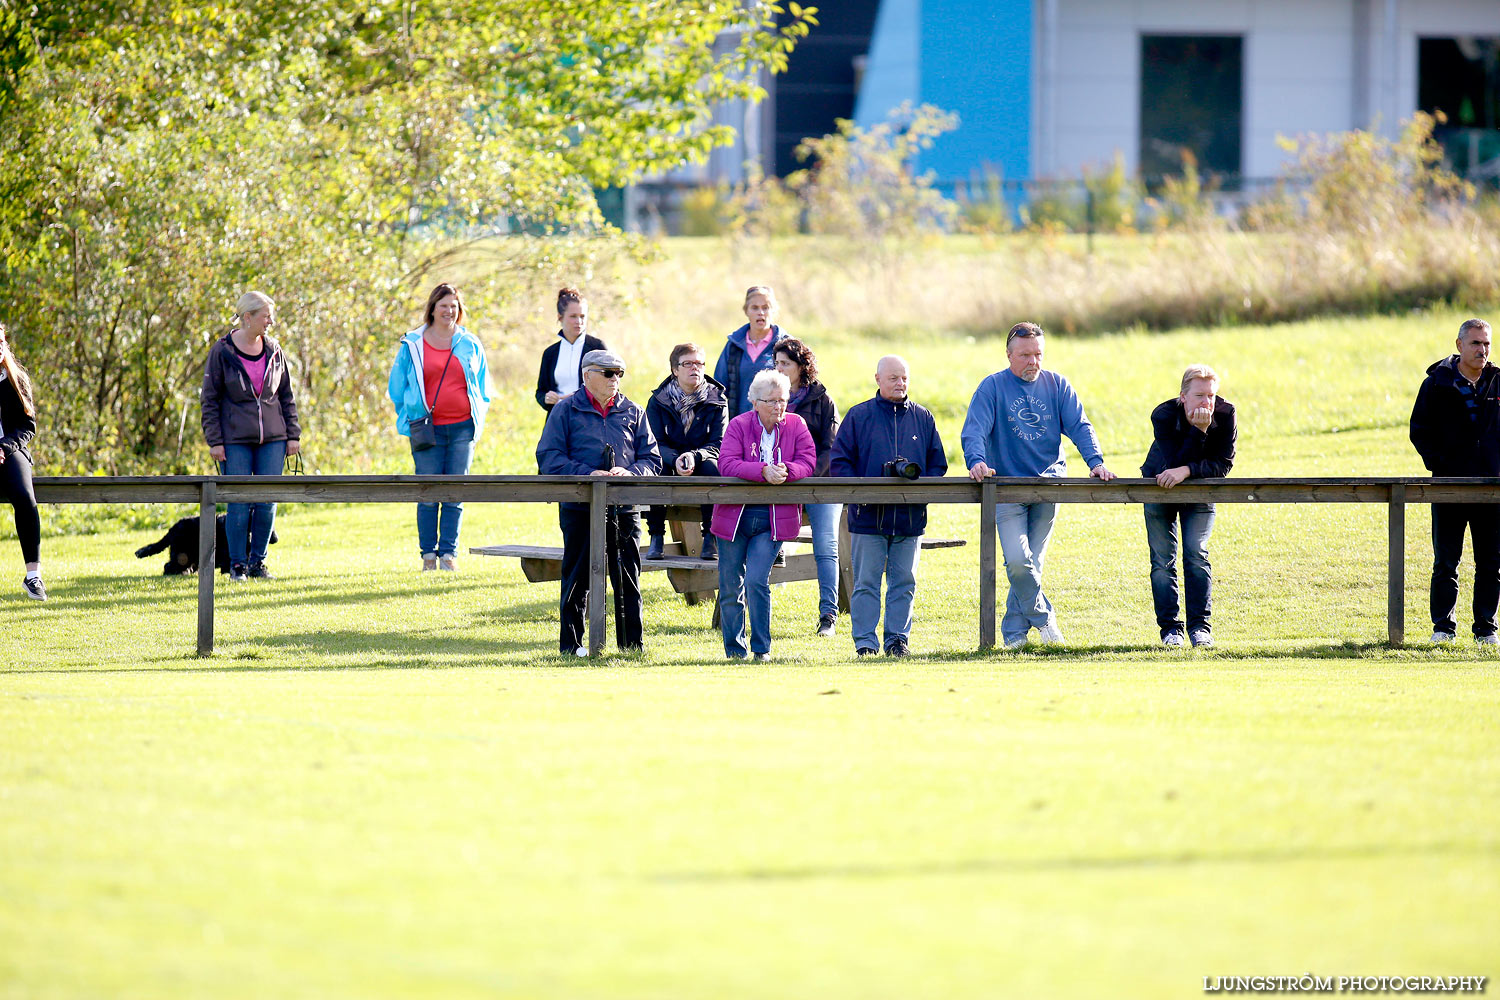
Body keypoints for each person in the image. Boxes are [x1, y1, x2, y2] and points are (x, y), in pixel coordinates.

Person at [961, 322, 1115, 649]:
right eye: (1026, 355)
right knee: (1019, 560)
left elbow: (1080, 426)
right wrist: (976, 460)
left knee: (1033, 562)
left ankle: (1015, 637)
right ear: (1009, 355)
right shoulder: (992, 388)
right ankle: (1045, 621)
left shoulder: (1057, 385)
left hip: (1049, 484)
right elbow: (973, 429)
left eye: (1038, 354)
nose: (1033, 361)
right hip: (1004, 488)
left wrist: (1096, 462)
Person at [536, 349, 661, 655]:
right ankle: (572, 646)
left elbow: (652, 459)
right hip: (580, 506)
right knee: (577, 575)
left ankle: (632, 646)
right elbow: (549, 457)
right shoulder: (565, 410)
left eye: (619, 374)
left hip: (624, 506)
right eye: (608, 374)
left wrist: (629, 472)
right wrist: (588, 473)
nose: (614, 379)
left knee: (628, 577)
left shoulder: (633, 411)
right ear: (587, 375)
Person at [830, 355, 948, 657]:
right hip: (867, 517)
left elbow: (938, 464)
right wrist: (864, 491)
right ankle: (865, 644)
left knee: (904, 582)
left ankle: (898, 641)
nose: (900, 383)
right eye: (894, 378)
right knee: (866, 583)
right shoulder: (858, 417)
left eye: (904, 378)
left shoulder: (923, 417)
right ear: (878, 379)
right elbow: (839, 464)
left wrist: (919, 493)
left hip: (910, 518)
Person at [710, 370, 817, 660]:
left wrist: (787, 470)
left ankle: (761, 649)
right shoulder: (738, 425)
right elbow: (727, 464)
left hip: (774, 518)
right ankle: (734, 650)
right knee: (731, 585)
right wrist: (761, 471)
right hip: (734, 517)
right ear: (755, 402)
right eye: (771, 401)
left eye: (782, 400)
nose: (778, 407)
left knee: (757, 580)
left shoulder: (797, 425)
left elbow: (808, 461)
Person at [387, 282, 493, 571]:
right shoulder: (413, 343)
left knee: (455, 491)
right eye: (444, 305)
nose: (449, 311)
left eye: (454, 306)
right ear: (432, 309)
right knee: (429, 490)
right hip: (426, 429)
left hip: (462, 429)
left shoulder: (469, 342)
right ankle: (428, 556)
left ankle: (448, 554)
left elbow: (483, 384)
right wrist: (410, 412)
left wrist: (478, 413)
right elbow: (397, 387)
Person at [1409, 318, 1500, 645]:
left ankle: (1486, 630)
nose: (1483, 350)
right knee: (1446, 561)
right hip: (1448, 485)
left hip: (1492, 489)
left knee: (1491, 562)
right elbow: (1419, 430)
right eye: (1476, 343)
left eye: (1487, 343)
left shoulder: (1497, 382)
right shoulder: (1437, 384)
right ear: (1459, 345)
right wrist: (1440, 464)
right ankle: (1443, 629)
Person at [201, 291, 301, 583]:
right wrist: (215, 441)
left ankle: (258, 562)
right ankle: (237, 566)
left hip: (274, 439)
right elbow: (210, 400)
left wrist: (292, 435)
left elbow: (286, 396)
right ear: (247, 317)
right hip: (234, 440)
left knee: (267, 500)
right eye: (265, 316)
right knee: (238, 502)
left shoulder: (274, 350)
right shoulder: (222, 351)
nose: (270, 321)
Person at [1140, 365, 1236, 648]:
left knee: (1196, 553)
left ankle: (1200, 629)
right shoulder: (1164, 414)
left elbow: (1223, 465)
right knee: (1162, 561)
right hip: (1159, 489)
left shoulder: (1226, 413)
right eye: (1199, 396)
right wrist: (1198, 432)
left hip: (1200, 491)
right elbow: (1171, 463)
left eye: (1211, 396)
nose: (1207, 403)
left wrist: (1187, 470)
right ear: (1183, 396)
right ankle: (1171, 631)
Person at [775, 337, 842, 636]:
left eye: (785, 364)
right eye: (776, 363)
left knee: (826, 545)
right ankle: (750, 609)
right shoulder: (771, 397)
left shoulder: (823, 400)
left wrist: (806, 474)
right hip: (779, 480)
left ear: (801, 367)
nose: (779, 368)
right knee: (763, 540)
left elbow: (831, 446)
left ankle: (828, 615)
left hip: (819, 481)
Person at [644, 342, 728, 562]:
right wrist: (674, 459)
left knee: (713, 470)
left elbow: (718, 442)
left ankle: (710, 537)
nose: (695, 368)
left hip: (702, 456)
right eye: (688, 363)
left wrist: (694, 456)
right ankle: (656, 537)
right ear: (675, 369)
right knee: (657, 469)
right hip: (668, 456)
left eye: (699, 363)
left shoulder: (717, 399)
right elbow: (654, 442)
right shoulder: (657, 400)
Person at [0, 323, 43, 600]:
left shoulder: (16, 379)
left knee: (25, 496)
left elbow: (28, 426)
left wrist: (3, 447)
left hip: (11, 450)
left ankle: (33, 576)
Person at [714, 285, 787, 419]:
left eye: (766, 307)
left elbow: (796, 388)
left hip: (775, 424)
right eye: (755, 308)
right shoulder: (733, 345)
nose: (761, 312)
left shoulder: (785, 345)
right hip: (739, 425)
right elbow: (719, 389)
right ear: (746, 311)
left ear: (773, 310)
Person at [535, 287, 606, 413]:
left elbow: (609, 386)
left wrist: (577, 397)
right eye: (573, 316)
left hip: (590, 419)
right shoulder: (550, 353)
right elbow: (541, 391)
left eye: (582, 316)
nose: (578, 321)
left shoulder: (597, 348)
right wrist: (546, 398)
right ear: (560, 317)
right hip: (558, 419)